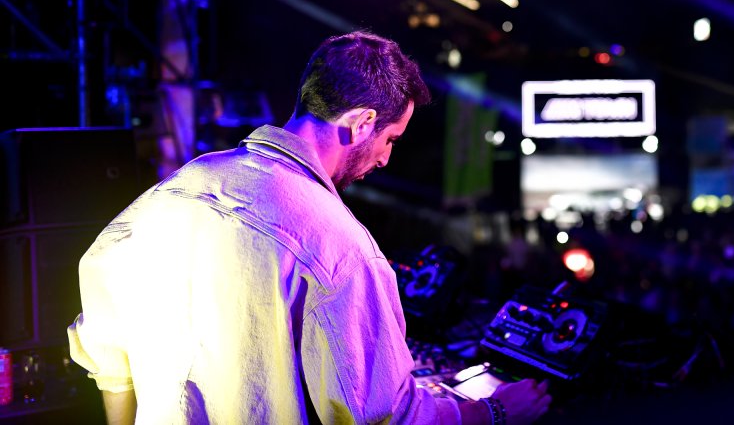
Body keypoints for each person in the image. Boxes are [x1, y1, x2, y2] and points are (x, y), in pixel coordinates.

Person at [67, 30, 551, 424]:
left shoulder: (175, 190)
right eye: (390, 138)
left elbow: (106, 355)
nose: (386, 158)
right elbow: (387, 417)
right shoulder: (340, 247)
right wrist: (494, 412)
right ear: (362, 122)